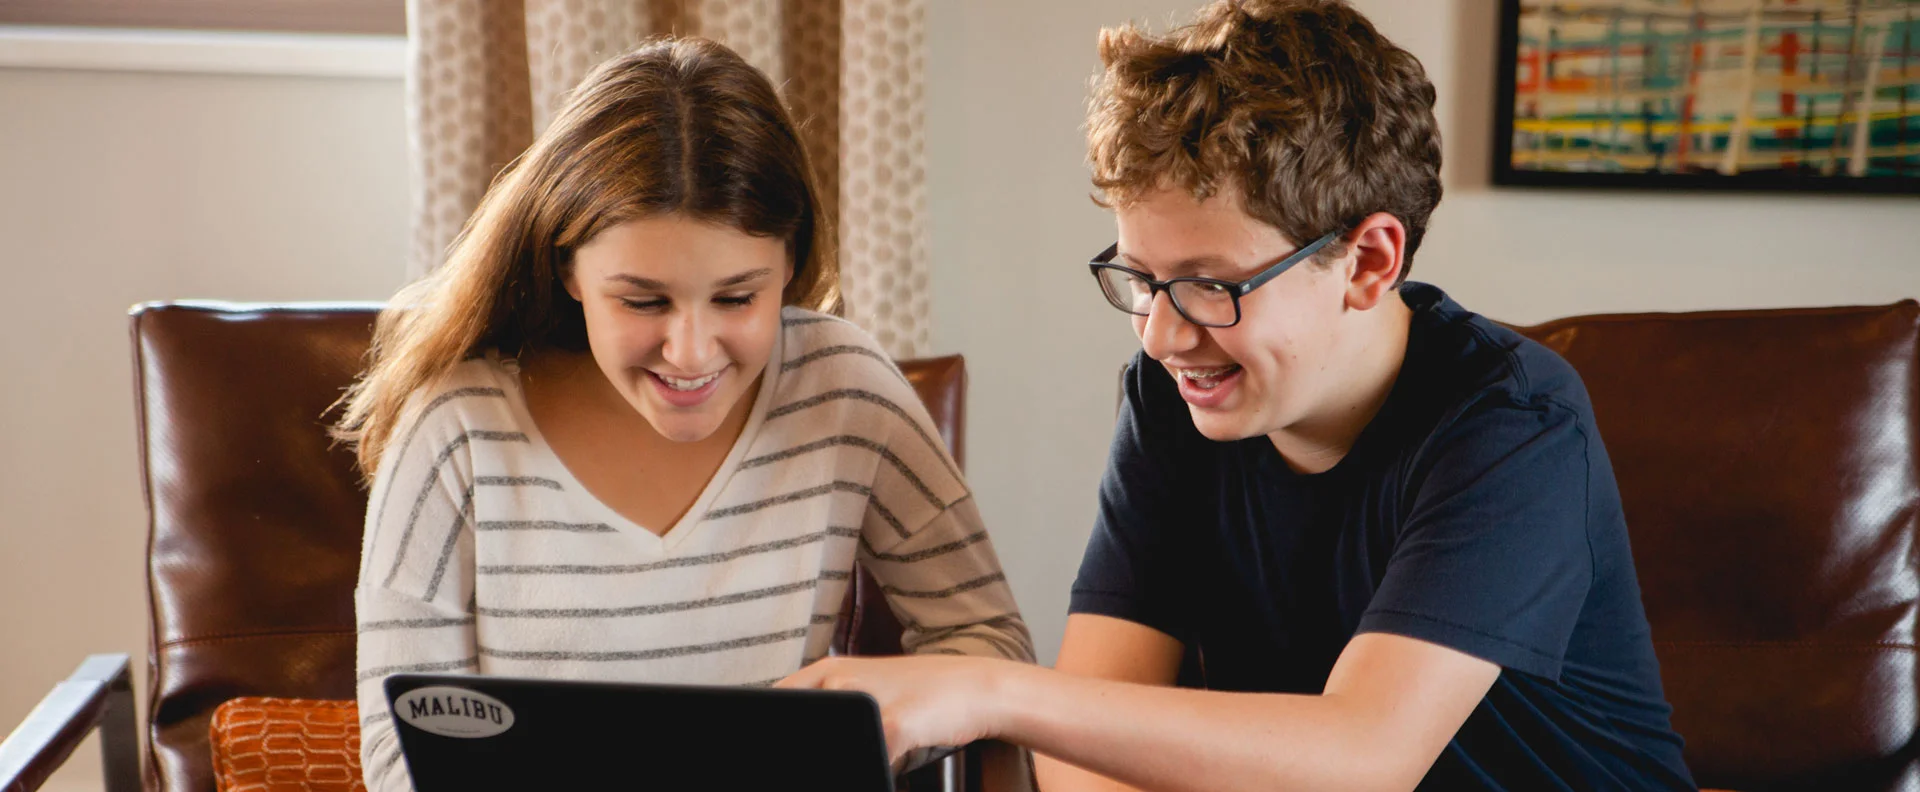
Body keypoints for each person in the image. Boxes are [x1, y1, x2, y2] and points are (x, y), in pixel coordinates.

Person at [778, 2, 1694, 789]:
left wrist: (989, 689)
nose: (1162, 334)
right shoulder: (1169, 399)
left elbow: (1365, 756)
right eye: (1141, 278)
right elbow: (1093, 745)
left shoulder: (1512, 426)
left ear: (1368, 260)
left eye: (1210, 284)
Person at [339, 36, 1032, 792]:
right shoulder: (457, 431)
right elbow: (399, 750)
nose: (692, 352)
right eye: (643, 301)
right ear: (568, 265)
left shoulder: (844, 390)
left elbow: (991, 645)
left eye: (738, 297)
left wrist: (859, 735)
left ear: (791, 263)